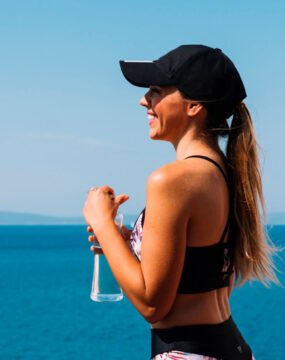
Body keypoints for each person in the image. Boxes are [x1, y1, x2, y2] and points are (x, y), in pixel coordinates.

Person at [82, 45, 279, 360]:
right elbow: (203, 273)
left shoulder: (171, 180)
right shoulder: (223, 173)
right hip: (231, 347)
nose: (144, 100)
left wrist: (102, 221)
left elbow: (152, 304)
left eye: (157, 91)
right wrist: (127, 244)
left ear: (194, 106)